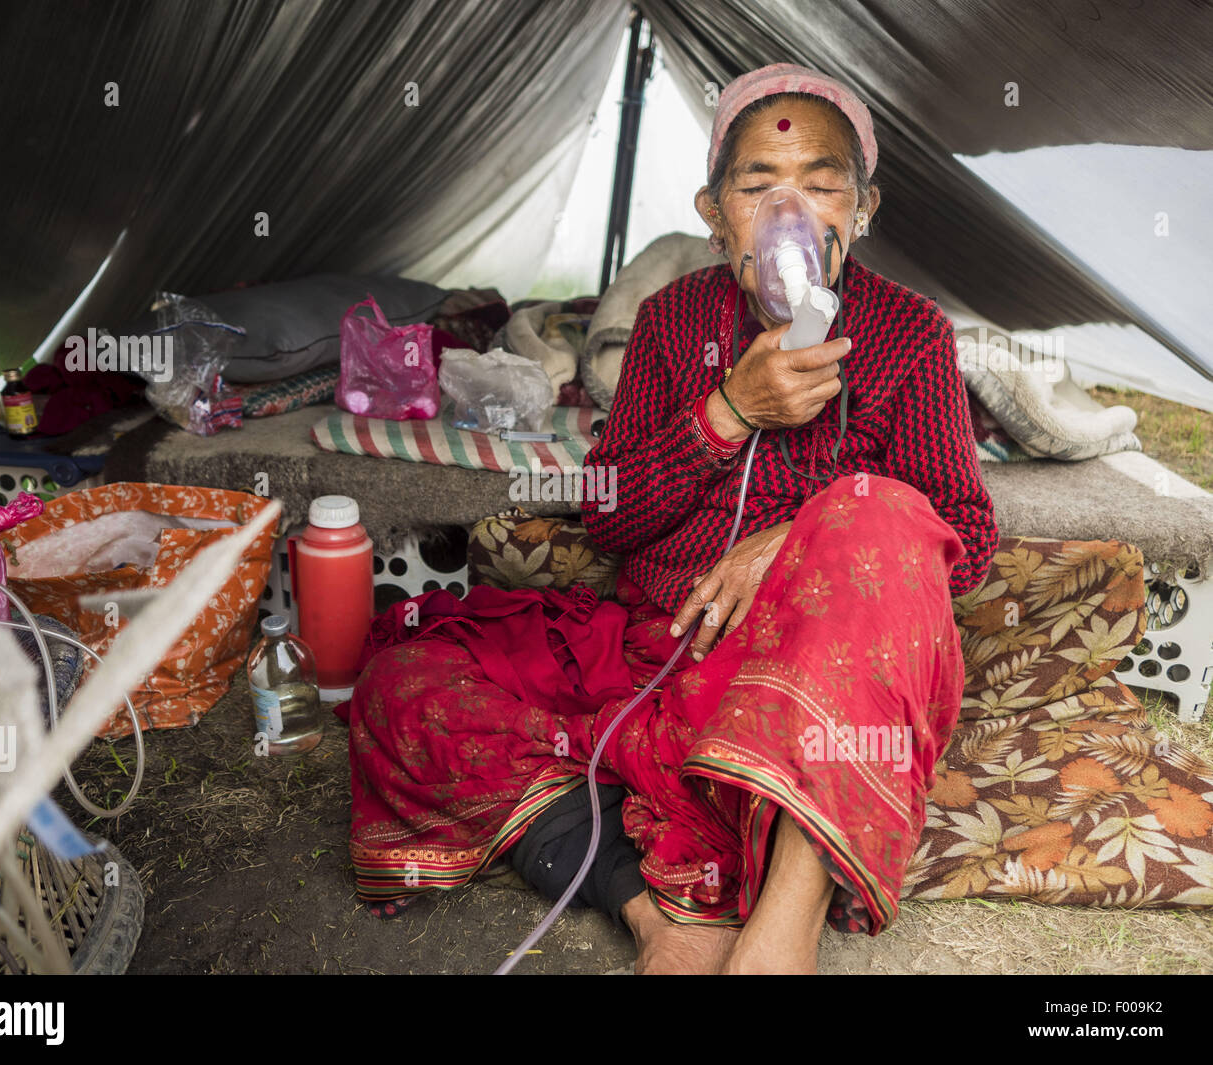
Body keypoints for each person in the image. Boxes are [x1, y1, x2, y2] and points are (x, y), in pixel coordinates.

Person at [345, 62, 999, 974]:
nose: (791, 215)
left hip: (807, 673)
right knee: (406, 678)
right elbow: (610, 521)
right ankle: (658, 912)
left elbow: (960, 541)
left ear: (864, 208)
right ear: (711, 209)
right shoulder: (669, 319)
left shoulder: (910, 332)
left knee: (882, 509)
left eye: (821, 185)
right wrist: (728, 410)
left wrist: (807, 535)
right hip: (653, 652)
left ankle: (787, 917)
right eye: (757, 186)